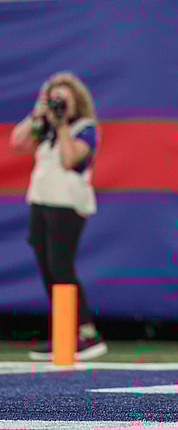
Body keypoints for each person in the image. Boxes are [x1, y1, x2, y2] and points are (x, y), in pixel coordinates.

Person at [9, 72, 106, 362]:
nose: (60, 104)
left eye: (65, 99)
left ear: (77, 101)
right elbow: (17, 141)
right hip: (40, 200)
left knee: (60, 266)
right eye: (55, 98)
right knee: (46, 268)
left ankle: (88, 333)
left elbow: (68, 159)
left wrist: (62, 124)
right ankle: (65, 331)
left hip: (67, 204)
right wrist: (37, 114)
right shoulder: (45, 126)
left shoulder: (85, 128)